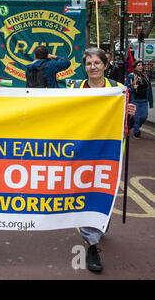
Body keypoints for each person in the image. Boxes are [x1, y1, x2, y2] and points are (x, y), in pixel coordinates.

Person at [70, 48, 136, 272]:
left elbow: (127, 124)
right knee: (87, 192)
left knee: (103, 193)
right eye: (89, 63)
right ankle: (92, 244)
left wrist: (129, 112)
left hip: (110, 153)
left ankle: (99, 221)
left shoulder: (118, 90)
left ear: (105, 65)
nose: (93, 67)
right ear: (84, 66)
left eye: (97, 63)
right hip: (83, 151)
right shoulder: (75, 90)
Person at [125, 60, 154, 139]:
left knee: (144, 116)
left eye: (142, 65)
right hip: (135, 100)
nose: (141, 67)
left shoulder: (146, 76)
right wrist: (132, 87)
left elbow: (150, 89)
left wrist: (151, 102)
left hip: (144, 100)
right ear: (135, 67)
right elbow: (125, 88)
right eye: (139, 65)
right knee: (137, 118)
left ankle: (134, 126)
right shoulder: (131, 76)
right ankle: (136, 132)